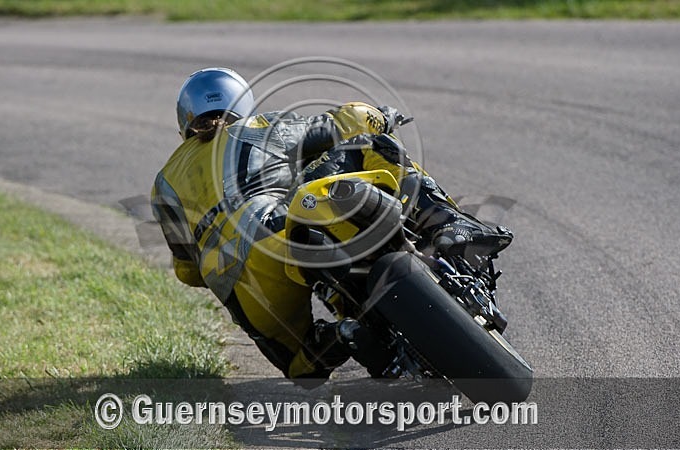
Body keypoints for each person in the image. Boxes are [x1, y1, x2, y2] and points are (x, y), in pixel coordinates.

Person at [151, 67, 505, 385]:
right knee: (371, 144)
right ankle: (451, 225)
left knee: (302, 367)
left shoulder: (164, 183)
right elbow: (344, 123)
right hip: (277, 229)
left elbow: (188, 272)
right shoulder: (259, 127)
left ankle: (345, 334)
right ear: (242, 103)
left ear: (185, 119)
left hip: (240, 287)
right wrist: (381, 116)